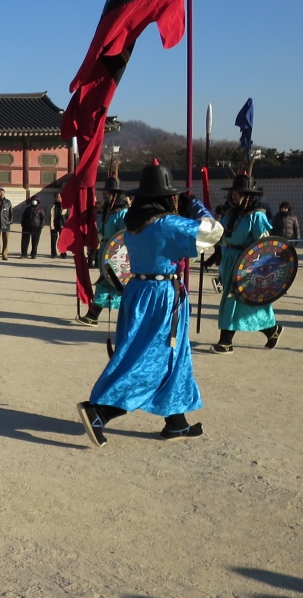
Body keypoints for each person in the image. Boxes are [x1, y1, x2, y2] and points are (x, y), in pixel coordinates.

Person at [76, 162, 224, 448]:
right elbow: (213, 232)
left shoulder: (133, 226)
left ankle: (176, 422)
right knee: (153, 359)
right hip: (161, 296)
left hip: (138, 291)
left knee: (169, 356)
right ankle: (101, 412)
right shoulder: (167, 224)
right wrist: (195, 206)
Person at [213, 173, 283, 352]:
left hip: (247, 262)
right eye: (233, 193)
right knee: (241, 302)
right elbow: (221, 236)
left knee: (234, 298)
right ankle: (272, 329)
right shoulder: (230, 214)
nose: (234, 196)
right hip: (230, 259)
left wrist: (256, 265)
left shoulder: (257, 216)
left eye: (238, 193)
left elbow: (263, 244)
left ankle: (225, 342)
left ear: (248, 196)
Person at [78, 178, 129, 327]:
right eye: (105, 192)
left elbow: (124, 236)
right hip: (104, 249)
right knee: (107, 282)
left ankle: (93, 315)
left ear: (116, 194)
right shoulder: (106, 211)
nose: (105, 195)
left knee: (110, 283)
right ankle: (94, 315)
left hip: (116, 254)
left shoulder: (123, 213)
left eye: (108, 192)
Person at [50, 192, 68, 258]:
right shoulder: (52, 206)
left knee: (62, 240)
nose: (59, 198)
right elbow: (48, 216)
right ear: (55, 198)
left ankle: (63, 253)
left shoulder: (65, 206)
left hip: (62, 225)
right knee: (53, 240)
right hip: (54, 225)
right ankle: (53, 254)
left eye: (60, 197)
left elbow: (68, 216)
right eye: (57, 197)